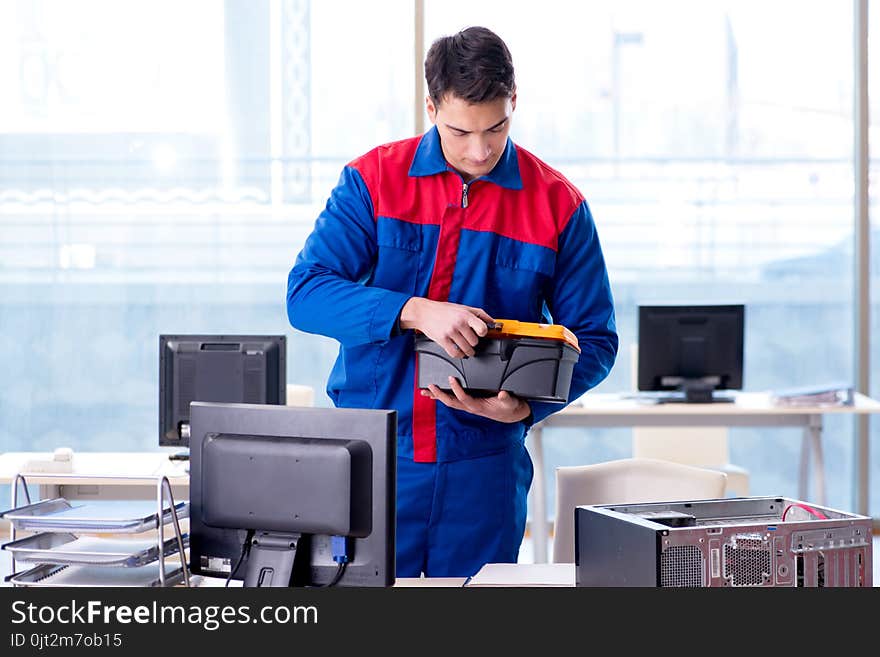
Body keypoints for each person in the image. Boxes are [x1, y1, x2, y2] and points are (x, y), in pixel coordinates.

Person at [287, 26, 617, 577]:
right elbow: (307, 294)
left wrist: (528, 408)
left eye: (497, 127)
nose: (480, 150)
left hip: (484, 469)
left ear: (514, 101)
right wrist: (415, 310)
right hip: (374, 461)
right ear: (431, 106)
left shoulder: (559, 206)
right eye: (460, 130)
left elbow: (596, 340)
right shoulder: (372, 182)